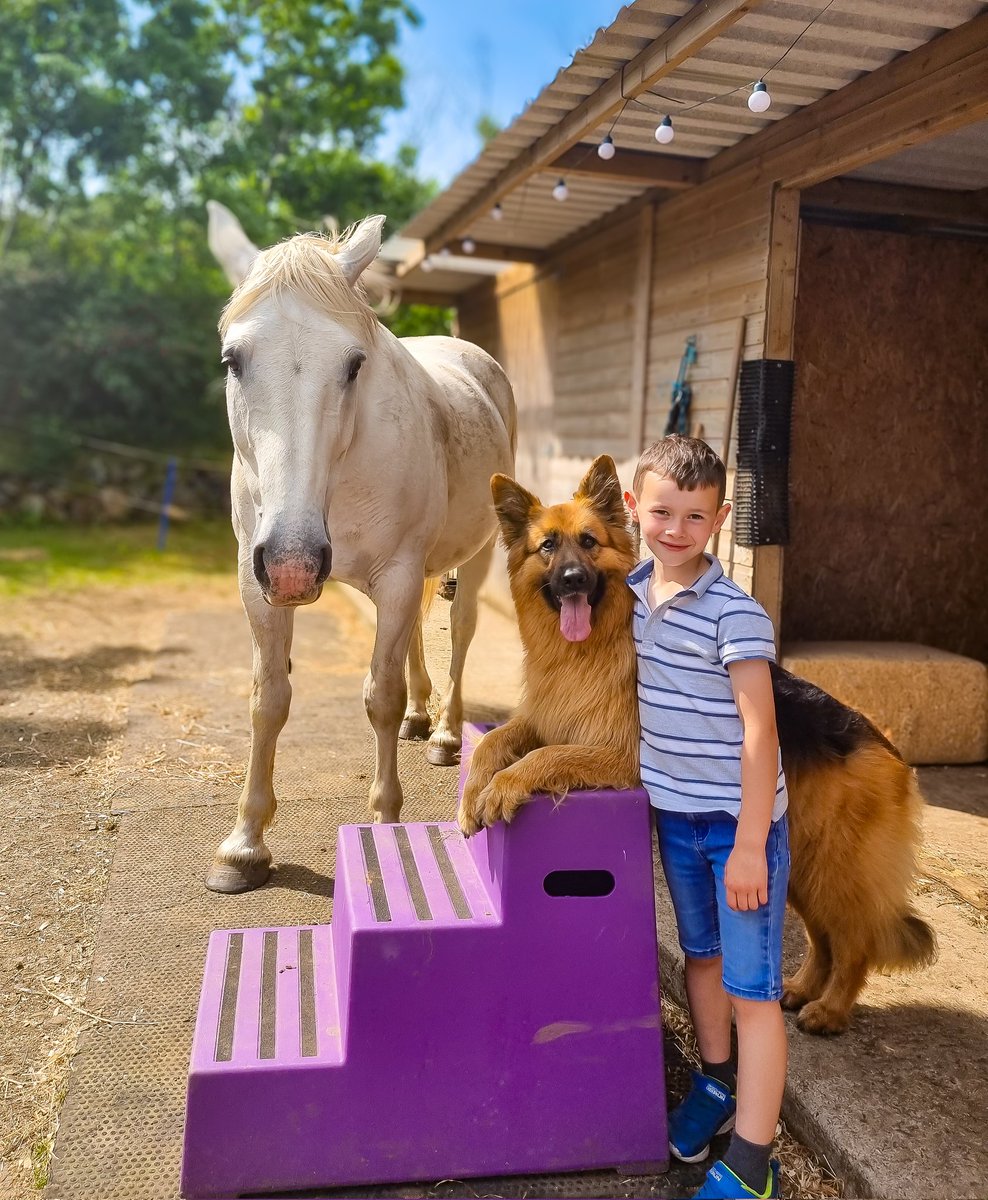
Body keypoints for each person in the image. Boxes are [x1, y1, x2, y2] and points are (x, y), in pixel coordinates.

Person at [624, 435, 789, 1200]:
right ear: (634, 508)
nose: (675, 530)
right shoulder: (628, 592)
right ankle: (716, 1087)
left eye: (695, 515)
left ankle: (753, 1163)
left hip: (736, 827)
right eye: (662, 511)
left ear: (720, 518)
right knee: (700, 958)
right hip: (677, 823)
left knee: (753, 993)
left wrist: (752, 844)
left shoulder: (736, 614)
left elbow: (761, 732)